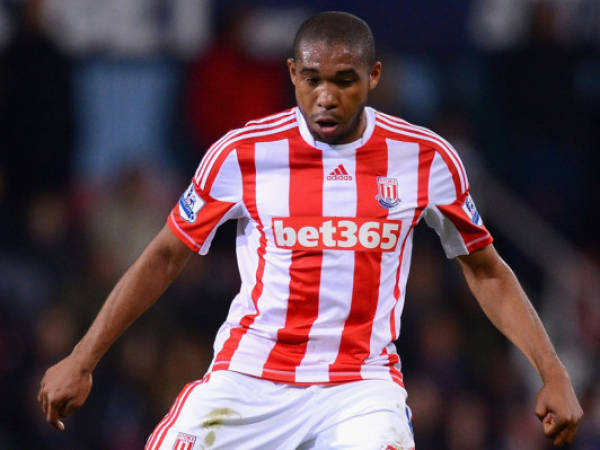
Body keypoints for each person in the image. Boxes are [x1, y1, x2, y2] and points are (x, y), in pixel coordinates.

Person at [38, 11, 583, 449]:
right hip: (248, 378)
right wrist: (82, 359)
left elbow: (486, 271)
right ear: (293, 74)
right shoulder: (242, 153)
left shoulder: (425, 158)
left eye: (344, 80)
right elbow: (163, 257)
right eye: (313, 79)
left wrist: (553, 372)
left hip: (360, 387)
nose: (326, 96)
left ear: (372, 77)